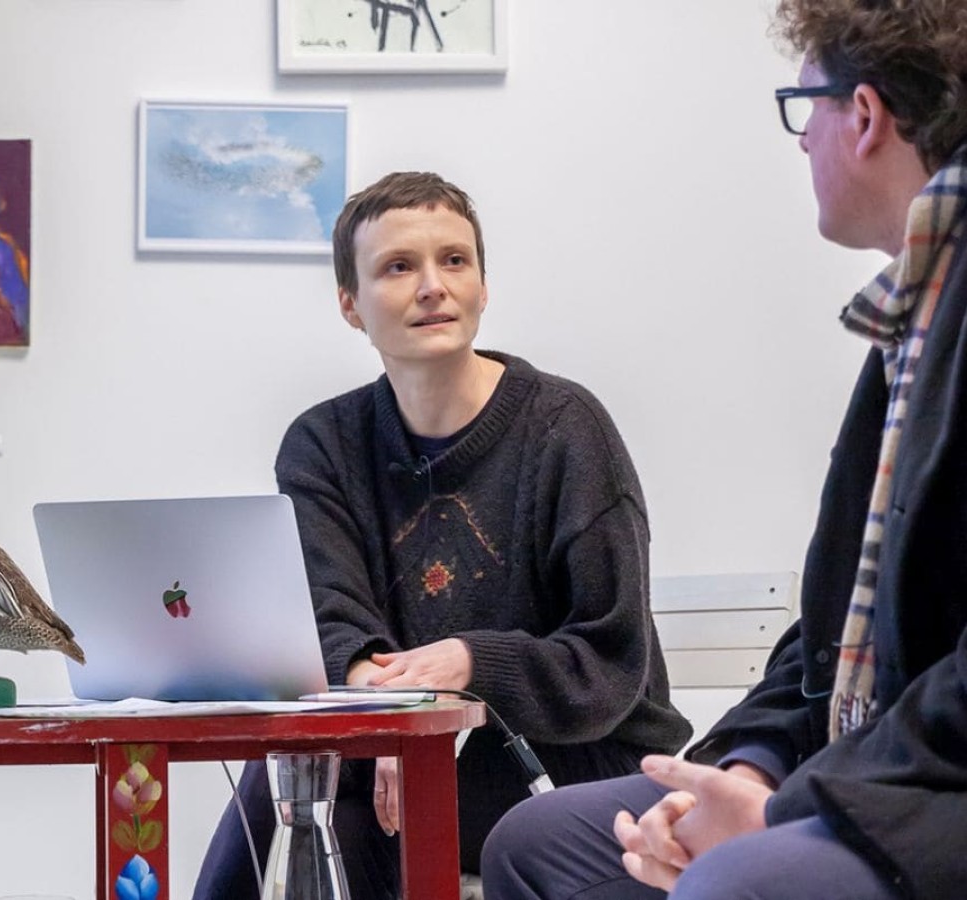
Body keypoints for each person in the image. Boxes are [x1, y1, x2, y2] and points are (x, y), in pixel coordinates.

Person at [481, 2, 967, 898]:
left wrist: (798, 803)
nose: (800, 140)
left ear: (862, 117)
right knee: (539, 843)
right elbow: (829, 638)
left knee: (734, 880)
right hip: (862, 769)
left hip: (933, 790)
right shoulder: (907, 319)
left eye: (804, 106)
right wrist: (747, 769)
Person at [191, 171, 692, 899]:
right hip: (399, 759)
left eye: (454, 261)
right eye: (399, 267)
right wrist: (395, 722)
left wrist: (465, 663)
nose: (432, 286)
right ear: (349, 305)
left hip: (572, 758)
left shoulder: (566, 430)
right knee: (288, 790)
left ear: (483, 287)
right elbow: (332, 622)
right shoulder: (322, 446)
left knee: (330, 800)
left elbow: (610, 663)